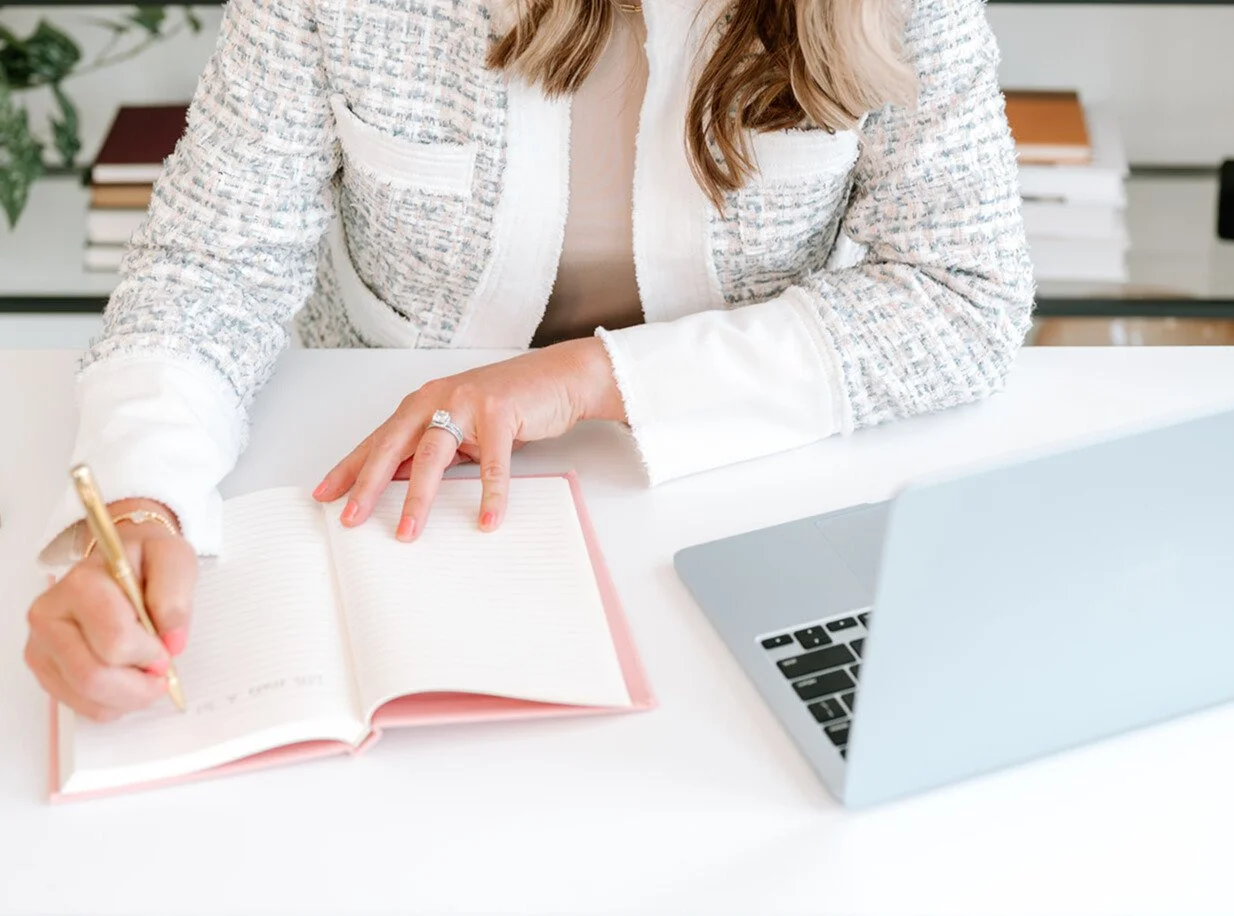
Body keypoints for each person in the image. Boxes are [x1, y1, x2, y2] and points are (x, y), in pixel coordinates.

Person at [24, 0, 1035, 721]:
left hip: (742, 492)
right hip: (391, 508)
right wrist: (141, 499)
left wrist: (582, 378)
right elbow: (209, 265)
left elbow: (963, 294)